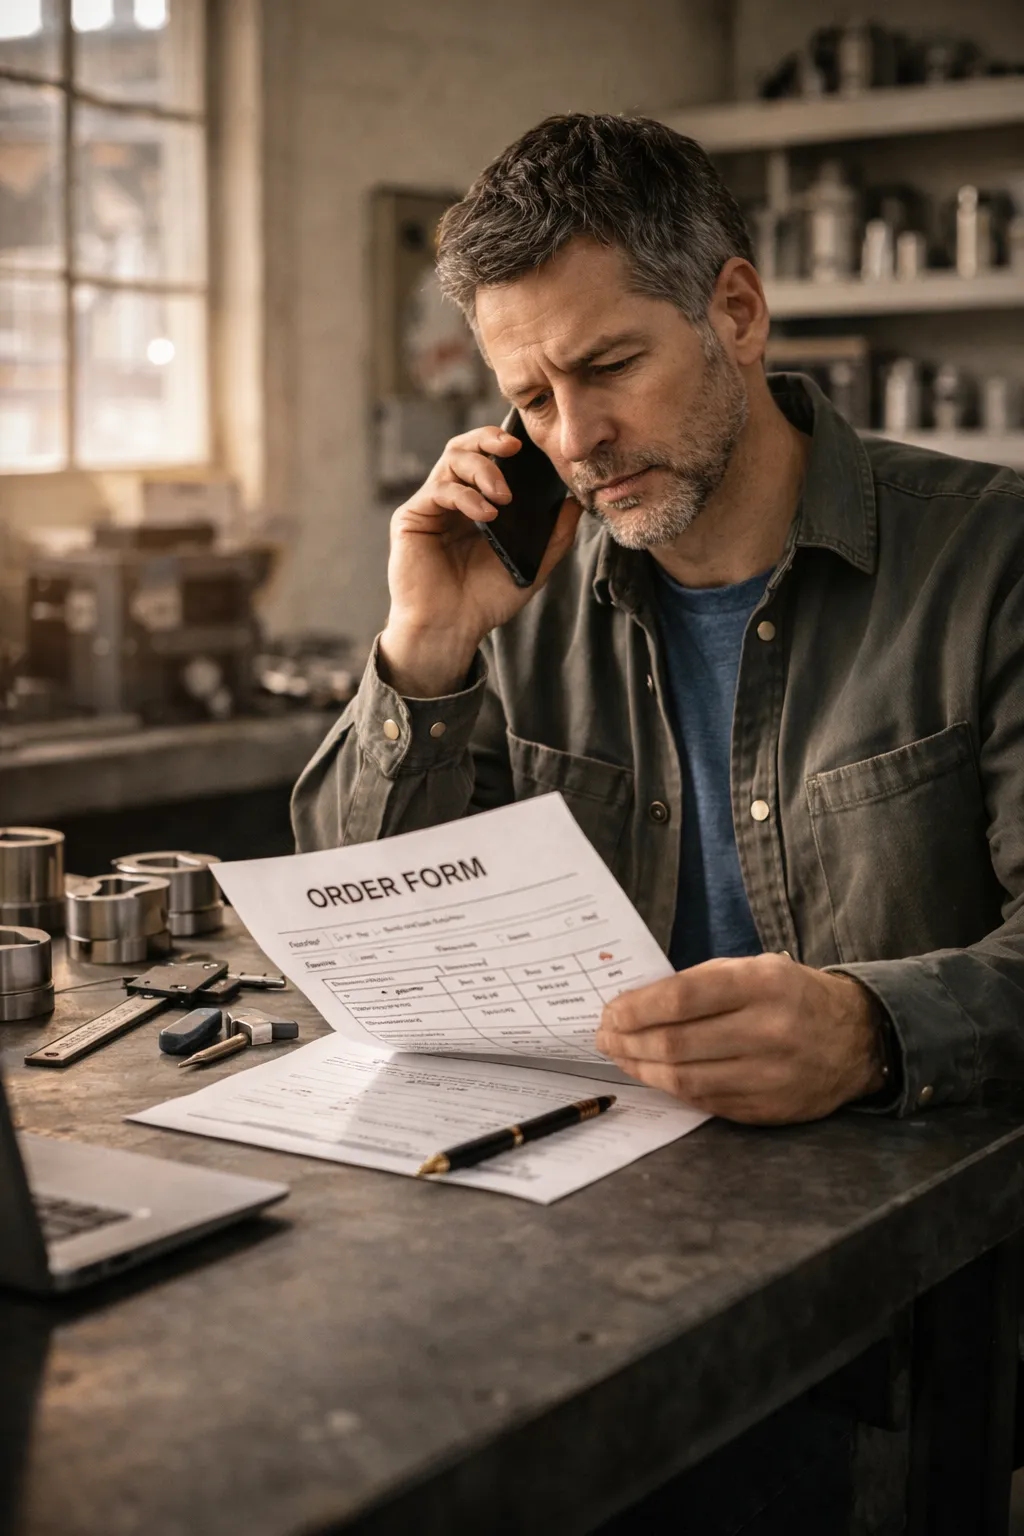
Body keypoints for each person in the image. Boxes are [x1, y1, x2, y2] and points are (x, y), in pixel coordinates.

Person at [293, 112, 1024, 1128]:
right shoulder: (518, 604)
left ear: (735, 310)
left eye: (609, 366)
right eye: (533, 399)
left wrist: (870, 1032)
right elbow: (364, 934)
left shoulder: (992, 558)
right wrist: (425, 647)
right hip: (600, 1198)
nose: (579, 440)